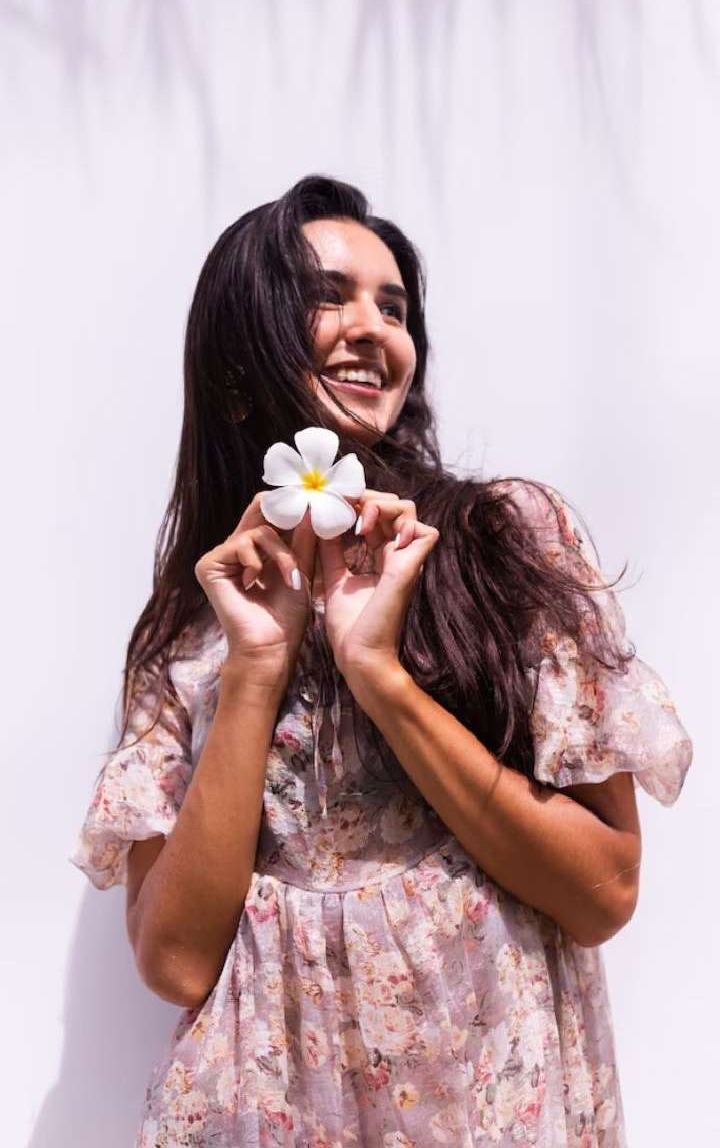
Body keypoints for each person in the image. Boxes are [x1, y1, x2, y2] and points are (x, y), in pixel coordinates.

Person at [70, 174, 693, 1147]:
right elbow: (177, 962)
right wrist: (256, 665)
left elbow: (604, 890)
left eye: (395, 308)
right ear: (238, 357)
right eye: (331, 296)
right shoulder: (192, 629)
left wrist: (380, 675)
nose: (375, 329)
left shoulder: (499, 540)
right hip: (269, 1109)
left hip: (485, 1099)